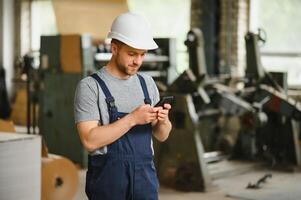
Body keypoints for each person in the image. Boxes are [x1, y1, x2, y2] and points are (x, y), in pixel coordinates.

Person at [74, 12, 172, 200]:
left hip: (145, 178)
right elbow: (89, 141)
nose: (138, 61)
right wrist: (133, 119)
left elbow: (162, 135)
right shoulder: (90, 87)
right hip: (108, 181)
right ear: (114, 48)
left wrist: (163, 120)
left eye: (143, 54)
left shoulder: (147, 84)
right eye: (132, 54)